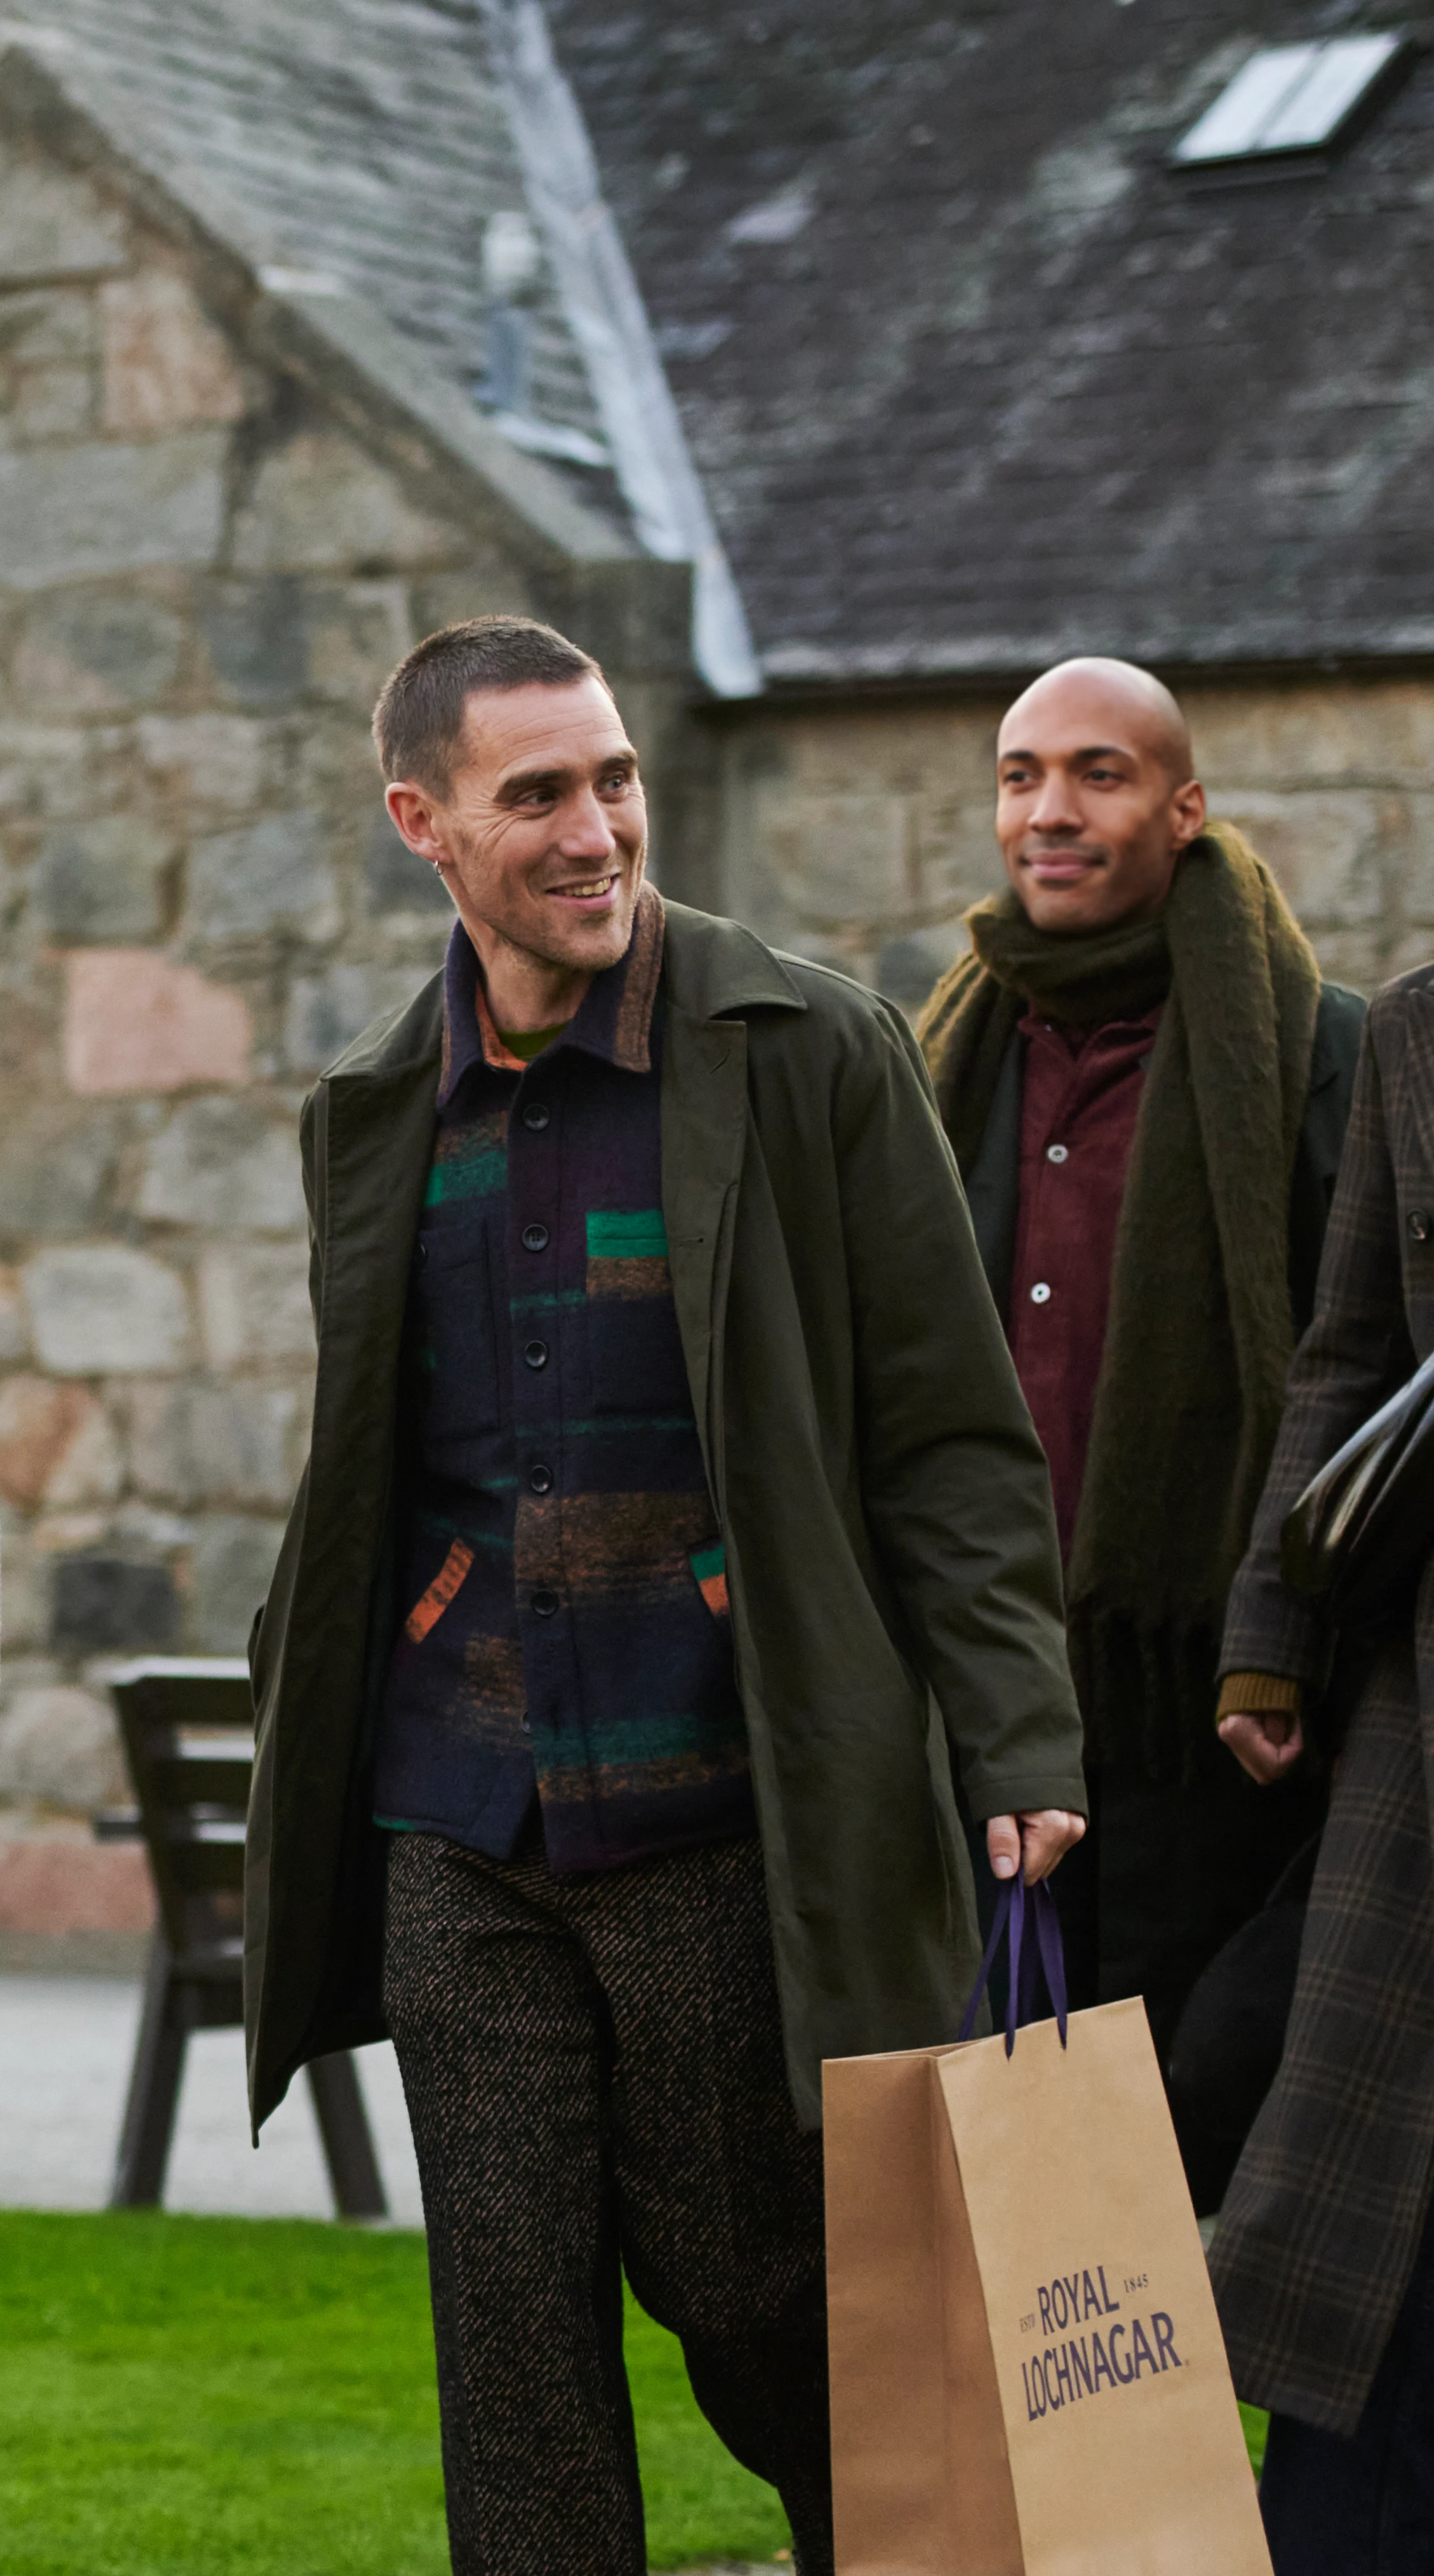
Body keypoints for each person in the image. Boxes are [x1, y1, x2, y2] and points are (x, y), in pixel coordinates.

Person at [242, 616, 1087, 2576]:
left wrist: (1018, 1727)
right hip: (462, 1826)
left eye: (611, 776)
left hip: (731, 1810)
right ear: (421, 823)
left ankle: (902, 2543)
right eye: (536, 791)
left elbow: (948, 1437)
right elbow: (369, 1477)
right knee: (514, 2354)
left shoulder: (807, 1048)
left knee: (763, 2292)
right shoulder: (378, 1111)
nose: (595, 825)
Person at [908, 657, 1356, 2126]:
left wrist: (1284, 1635)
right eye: (1021, 775)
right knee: (1000, 2148)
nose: (1051, 809)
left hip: (1207, 1708)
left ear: (1184, 810)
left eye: (1099, 774)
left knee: (1185, 2130)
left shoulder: (1319, 1055)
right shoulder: (929, 1064)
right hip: (975, 1694)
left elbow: (1357, 1369)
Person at [1212, 960, 1434, 2567]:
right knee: (1372, 2215)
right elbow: (1345, 1352)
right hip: (1420, 1722)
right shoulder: (1417, 1032)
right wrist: (1267, 1632)